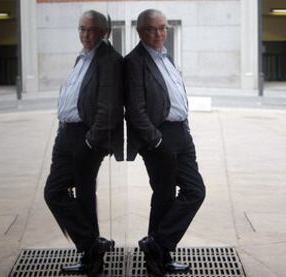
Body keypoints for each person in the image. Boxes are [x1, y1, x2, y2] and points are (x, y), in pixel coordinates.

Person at [124, 9, 206, 277]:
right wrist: (156, 141)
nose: (158, 34)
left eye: (162, 28)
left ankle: (156, 246)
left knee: (194, 191)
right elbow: (135, 111)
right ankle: (159, 257)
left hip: (182, 134)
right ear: (140, 31)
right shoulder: (134, 62)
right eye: (151, 29)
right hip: (160, 138)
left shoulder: (165, 56)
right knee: (164, 197)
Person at [44, 10, 123, 277]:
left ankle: (91, 251)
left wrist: (90, 143)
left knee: (70, 194)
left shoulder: (109, 59)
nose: (85, 35)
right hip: (65, 135)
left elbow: (109, 108)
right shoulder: (82, 57)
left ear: (104, 32)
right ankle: (92, 250)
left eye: (91, 30)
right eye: (81, 29)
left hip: (84, 138)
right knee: (65, 194)